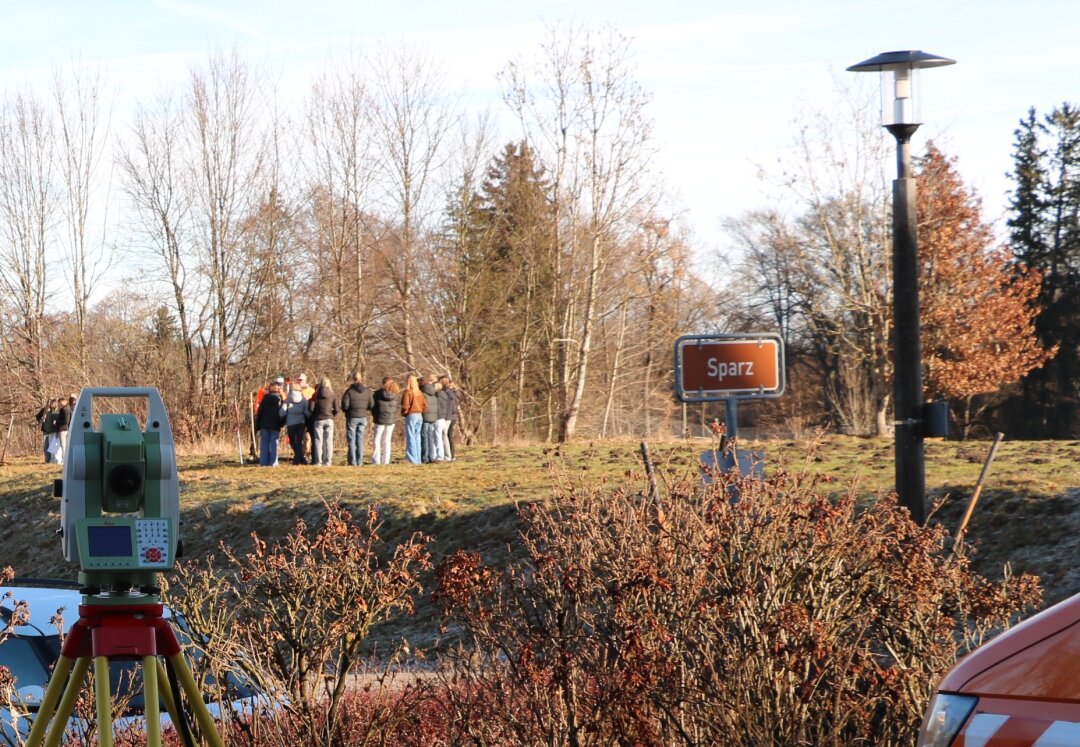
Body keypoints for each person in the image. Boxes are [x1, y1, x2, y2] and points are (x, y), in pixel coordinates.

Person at [341, 372, 375, 467]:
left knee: (351, 440)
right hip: (363, 417)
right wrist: (365, 409)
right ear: (361, 379)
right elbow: (372, 405)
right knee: (360, 440)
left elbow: (345, 406)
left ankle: (352, 461)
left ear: (353, 379)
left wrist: (347, 411)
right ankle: (359, 461)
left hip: (352, 417)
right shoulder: (367, 391)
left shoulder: (349, 391)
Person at [371, 377, 401, 465]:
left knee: (377, 439)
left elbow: (373, 406)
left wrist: (375, 415)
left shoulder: (377, 393)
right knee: (387, 440)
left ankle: (376, 460)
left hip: (379, 419)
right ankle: (386, 460)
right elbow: (396, 407)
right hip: (391, 420)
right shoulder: (396, 394)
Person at [309, 376, 338, 466]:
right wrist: (332, 415)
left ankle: (318, 462)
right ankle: (328, 461)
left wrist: (315, 413)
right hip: (329, 419)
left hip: (318, 419)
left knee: (318, 441)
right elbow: (337, 409)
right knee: (328, 441)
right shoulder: (333, 394)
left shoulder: (316, 394)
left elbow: (311, 408)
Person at [255, 381, 284, 466]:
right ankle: (273, 462)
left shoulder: (265, 399)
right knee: (274, 444)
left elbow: (260, 413)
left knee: (264, 444)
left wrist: (258, 426)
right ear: (278, 390)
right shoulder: (280, 400)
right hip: (275, 425)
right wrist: (281, 423)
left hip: (265, 424)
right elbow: (282, 413)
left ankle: (263, 462)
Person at [282, 376, 310, 464]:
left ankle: (297, 459)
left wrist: (283, 417)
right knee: (299, 441)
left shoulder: (288, 399)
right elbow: (307, 412)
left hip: (290, 423)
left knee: (292, 441)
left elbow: (282, 412)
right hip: (301, 422)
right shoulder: (304, 400)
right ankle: (300, 459)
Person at [401, 373, 426, 464]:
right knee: (417, 437)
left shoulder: (408, 392)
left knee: (410, 437)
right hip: (419, 415)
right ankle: (418, 458)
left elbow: (405, 405)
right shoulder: (419, 393)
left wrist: (404, 412)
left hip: (411, 414)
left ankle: (412, 458)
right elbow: (425, 405)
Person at [439, 376, 461, 461]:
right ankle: (452, 455)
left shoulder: (448, 393)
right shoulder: (455, 393)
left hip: (448, 416)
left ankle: (449, 455)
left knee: (446, 435)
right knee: (449, 436)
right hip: (453, 416)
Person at [420, 376, 440, 463]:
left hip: (425, 417)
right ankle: (431, 456)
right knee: (430, 437)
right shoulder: (434, 393)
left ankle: (425, 457)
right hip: (433, 417)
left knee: (424, 437)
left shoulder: (423, 394)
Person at [35, 398, 59, 463]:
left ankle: (53, 459)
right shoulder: (45, 410)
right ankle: (47, 459)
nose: (51, 405)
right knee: (46, 445)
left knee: (53, 445)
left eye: (53, 403)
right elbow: (38, 417)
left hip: (53, 430)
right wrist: (41, 421)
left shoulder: (57, 411)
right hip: (46, 430)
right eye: (51, 403)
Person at [55, 394, 75, 464]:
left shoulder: (65, 409)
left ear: (62, 402)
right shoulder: (66, 408)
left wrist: (57, 422)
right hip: (64, 428)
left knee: (63, 445)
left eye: (59, 404)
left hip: (63, 429)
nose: (59, 405)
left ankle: (64, 459)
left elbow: (66, 420)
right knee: (63, 444)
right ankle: (63, 459)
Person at [434, 379, 451, 462]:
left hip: (439, 418)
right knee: (441, 437)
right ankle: (444, 455)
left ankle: (440, 456)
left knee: (438, 438)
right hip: (443, 418)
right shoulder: (445, 396)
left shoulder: (438, 397)